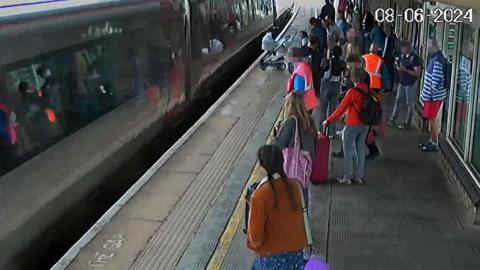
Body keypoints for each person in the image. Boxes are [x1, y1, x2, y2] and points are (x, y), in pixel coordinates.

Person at [247, 144, 308, 270]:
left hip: (271, 258)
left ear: (262, 166)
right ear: (283, 161)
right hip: (297, 256)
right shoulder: (296, 186)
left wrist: (250, 242)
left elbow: (256, 239)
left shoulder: (259, 196)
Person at [322, 68, 371, 185]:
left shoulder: (352, 92)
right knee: (360, 149)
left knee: (348, 150)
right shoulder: (368, 90)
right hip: (365, 125)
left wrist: (328, 120)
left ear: (354, 78)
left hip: (353, 124)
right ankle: (359, 176)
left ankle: (348, 177)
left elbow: (340, 109)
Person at [419, 39, 448, 152]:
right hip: (433, 97)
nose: (428, 49)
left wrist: (429, 94)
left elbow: (435, 82)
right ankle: (432, 140)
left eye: (430, 47)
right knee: (432, 119)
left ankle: (434, 142)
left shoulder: (437, 61)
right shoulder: (438, 58)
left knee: (432, 119)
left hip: (433, 97)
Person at [387, 41, 422, 129]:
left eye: (403, 49)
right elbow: (400, 65)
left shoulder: (414, 58)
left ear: (408, 48)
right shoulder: (402, 56)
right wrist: (399, 68)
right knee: (398, 100)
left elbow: (418, 74)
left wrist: (405, 70)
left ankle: (408, 123)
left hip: (410, 84)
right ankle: (393, 118)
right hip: (402, 83)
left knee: (410, 103)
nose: (402, 50)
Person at [320, 46, 346, 138]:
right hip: (336, 87)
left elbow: (321, 72)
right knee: (333, 111)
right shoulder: (342, 63)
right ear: (340, 53)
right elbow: (346, 74)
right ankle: (331, 133)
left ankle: (322, 132)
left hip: (326, 86)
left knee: (323, 110)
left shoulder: (328, 62)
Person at [287, 47, 320, 113]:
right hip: (310, 102)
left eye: (289, 57)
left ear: (295, 58)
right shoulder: (306, 65)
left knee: (303, 121)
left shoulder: (299, 73)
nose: (288, 59)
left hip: (302, 105)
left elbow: (299, 92)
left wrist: (290, 98)